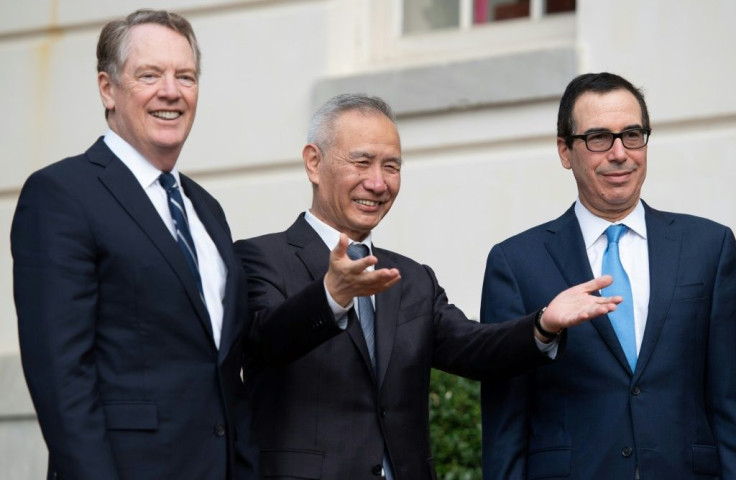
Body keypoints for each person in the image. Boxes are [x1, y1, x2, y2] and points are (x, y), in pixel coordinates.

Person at [234, 93, 621, 479]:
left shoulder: (411, 278)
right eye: (362, 161)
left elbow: (474, 349)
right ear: (313, 163)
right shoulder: (260, 258)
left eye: (391, 166)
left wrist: (543, 325)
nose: (378, 182)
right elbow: (265, 341)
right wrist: (331, 296)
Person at [11, 9, 258, 480]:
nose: (171, 91)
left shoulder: (206, 209)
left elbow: (222, 367)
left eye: (185, 76)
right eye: (150, 75)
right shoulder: (62, 195)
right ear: (108, 88)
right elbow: (62, 381)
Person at [480, 72, 736, 479]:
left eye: (632, 135)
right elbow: (505, 423)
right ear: (565, 151)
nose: (620, 153)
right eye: (598, 137)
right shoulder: (516, 263)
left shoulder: (710, 246)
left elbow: (727, 400)